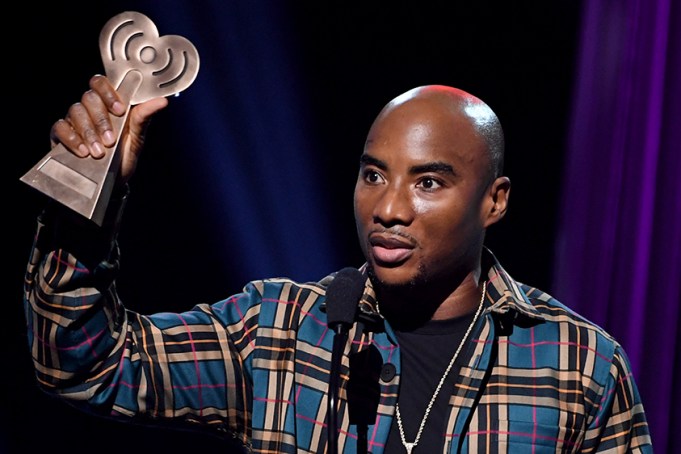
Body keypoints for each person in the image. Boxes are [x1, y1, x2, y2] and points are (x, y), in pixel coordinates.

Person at [22, 74, 653, 453]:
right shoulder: (282, 329)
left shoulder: (579, 363)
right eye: (373, 175)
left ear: (494, 200)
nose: (389, 208)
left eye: (429, 183)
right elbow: (88, 363)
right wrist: (85, 199)